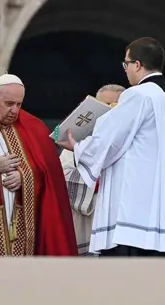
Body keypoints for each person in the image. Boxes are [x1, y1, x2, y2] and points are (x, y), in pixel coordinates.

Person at [58, 37, 165, 258]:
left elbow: (109, 140)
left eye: (126, 64)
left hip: (134, 221)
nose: (126, 70)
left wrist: (76, 147)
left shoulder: (137, 96)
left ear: (138, 65)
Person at [0, 74, 77, 256]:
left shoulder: (34, 126)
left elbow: (49, 173)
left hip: (22, 217)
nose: (14, 111)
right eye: (9, 104)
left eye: (19, 104)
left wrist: (26, 176)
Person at [59, 84, 125, 256]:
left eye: (115, 106)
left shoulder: (129, 142)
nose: (110, 112)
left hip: (118, 224)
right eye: (105, 105)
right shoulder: (77, 142)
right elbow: (64, 177)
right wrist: (102, 179)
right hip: (86, 223)